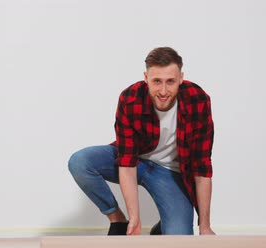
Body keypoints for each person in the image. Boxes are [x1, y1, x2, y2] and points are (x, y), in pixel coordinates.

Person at [68, 47, 215, 236]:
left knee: (179, 238)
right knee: (80, 162)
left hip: (170, 173)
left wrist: (205, 226)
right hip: (134, 161)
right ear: (146, 78)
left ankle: (163, 227)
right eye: (157, 81)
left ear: (181, 78)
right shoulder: (130, 98)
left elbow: (202, 168)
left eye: (170, 81)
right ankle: (118, 221)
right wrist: (134, 217)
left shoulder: (198, 100)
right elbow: (127, 164)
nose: (163, 91)